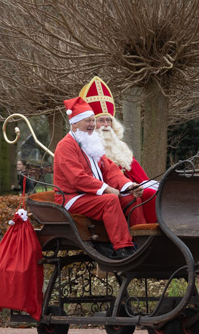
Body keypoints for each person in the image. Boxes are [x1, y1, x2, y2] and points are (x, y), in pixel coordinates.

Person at [53, 96, 145, 259]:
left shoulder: (90, 142)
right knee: (110, 200)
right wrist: (106, 189)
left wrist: (128, 186)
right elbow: (77, 178)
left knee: (131, 197)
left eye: (92, 121)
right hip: (71, 197)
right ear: (74, 123)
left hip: (91, 195)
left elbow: (110, 170)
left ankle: (142, 242)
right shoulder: (65, 146)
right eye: (87, 121)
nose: (91, 125)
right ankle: (122, 248)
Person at [80, 76, 158, 222]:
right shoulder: (87, 147)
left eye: (108, 120)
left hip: (131, 187)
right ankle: (142, 234)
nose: (105, 125)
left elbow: (139, 175)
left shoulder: (121, 146)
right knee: (145, 195)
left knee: (154, 192)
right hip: (110, 192)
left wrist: (143, 185)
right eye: (101, 120)